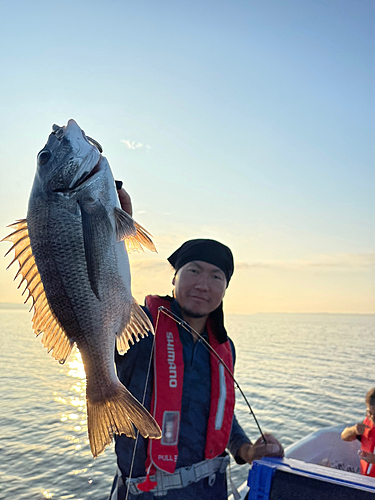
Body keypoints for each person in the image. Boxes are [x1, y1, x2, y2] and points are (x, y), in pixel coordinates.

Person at [109, 187, 284, 500]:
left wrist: (247, 449)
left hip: (211, 490)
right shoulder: (139, 329)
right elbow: (99, 308)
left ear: (225, 289)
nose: (204, 284)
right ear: (174, 278)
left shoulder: (223, 346)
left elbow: (217, 411)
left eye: (217, 277)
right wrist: (111, 232)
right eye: (194, 271)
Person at [341, 387, 375, 477]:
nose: (373, 418)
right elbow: (344, 437)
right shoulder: (367, 423)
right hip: (365, 481)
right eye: (370, 413)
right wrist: (354, 430)